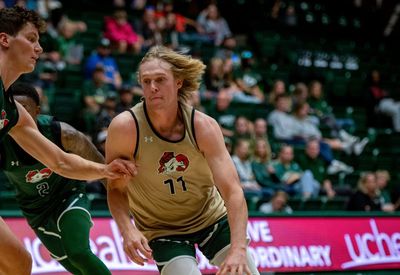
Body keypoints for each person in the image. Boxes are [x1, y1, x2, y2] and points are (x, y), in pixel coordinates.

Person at [0, 6, 135, 275]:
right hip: (36, 209)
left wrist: (104, 170)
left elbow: (59, 161)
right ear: (4, 39)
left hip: (58, 199)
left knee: (18, 264)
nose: (38, 48)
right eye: (30, 39)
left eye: (38, 41)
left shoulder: (14, 112)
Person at [106, 46, 259, 275]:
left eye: (160, 79)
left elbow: (233, 191)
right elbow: (115, 188)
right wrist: (127, 229)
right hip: (161, 229)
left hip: (211, 219)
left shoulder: (203, 127)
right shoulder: (125, 128)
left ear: (178, 82)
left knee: (245, 271)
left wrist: (238, 249)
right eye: (146, 81)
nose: (153, 87)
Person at [1, 83, 112, 274]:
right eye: (15, 112)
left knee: (78, 252)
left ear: (37, 111)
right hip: (36, 210)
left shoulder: (62, 133)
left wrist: (114, 190)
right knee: (73, 266)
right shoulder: (3, 143)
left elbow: (96, 159)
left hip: (68, 196)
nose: (19, 117)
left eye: (25, 110)